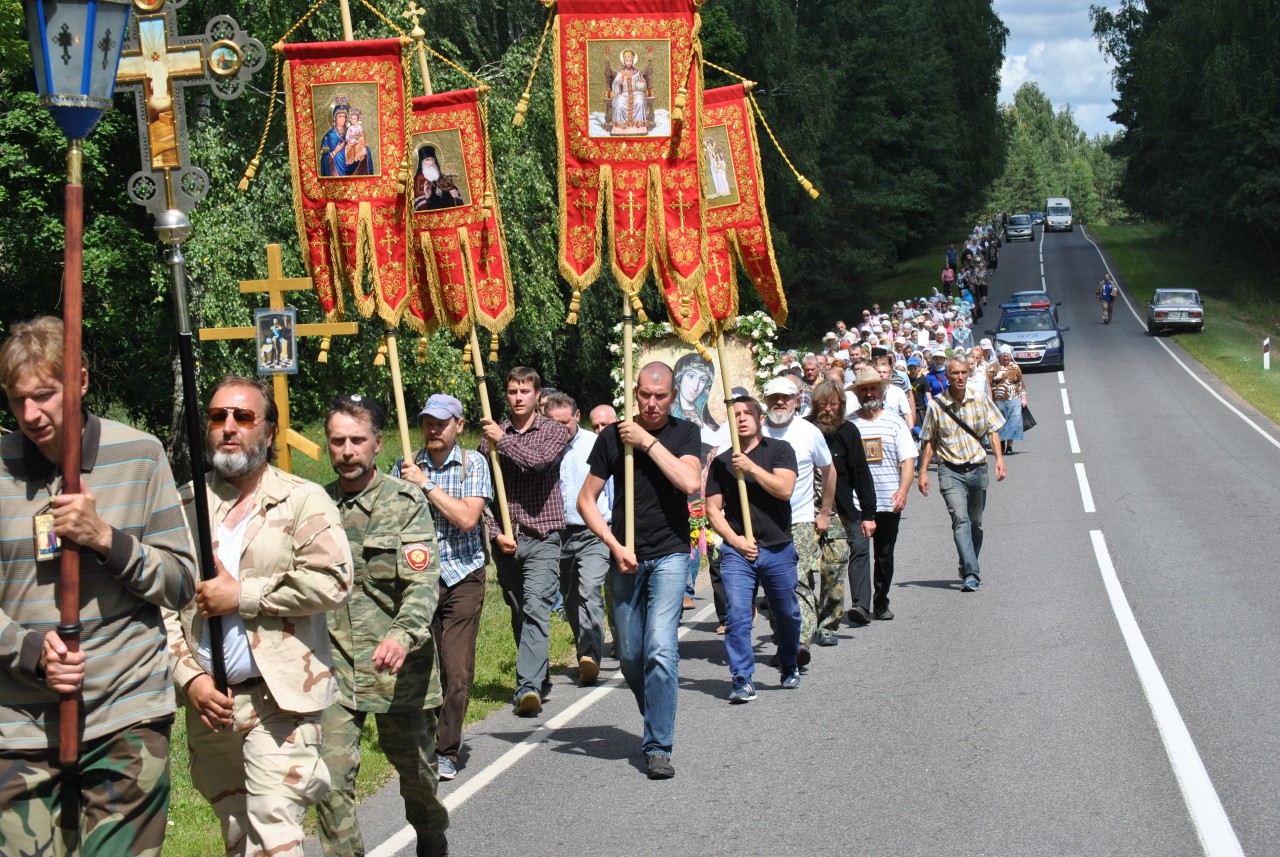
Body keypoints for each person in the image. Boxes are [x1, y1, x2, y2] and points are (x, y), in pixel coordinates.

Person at [0, 316, 197, 857]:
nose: (32, 414)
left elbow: (181, 582)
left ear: (81, 381)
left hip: (124, 711)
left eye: (45, 395)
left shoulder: (139, 455)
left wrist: (107, 539)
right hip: (20, 727)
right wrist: (31, 650)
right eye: (19, 401)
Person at [168, 375, 353, 857]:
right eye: (217, 417)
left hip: (281, 702)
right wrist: (190, 680)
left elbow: (334, 581)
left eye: (243, 417)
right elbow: (160, 605)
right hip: (212, 708)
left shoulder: (302, 499)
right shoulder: (182, 506)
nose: (229, 427)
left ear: (268, 433)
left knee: (274, 834)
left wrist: (243, 595)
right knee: (238, 837)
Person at [318, 395, 448, 857]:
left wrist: (400, 635)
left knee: (418, 780)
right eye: (338, 441)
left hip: (399, 671)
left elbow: (422, 584)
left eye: (357, 440)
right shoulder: (315, 507)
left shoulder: (405, 502)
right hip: (332, 667)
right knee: (330, 785)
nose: (347, 450)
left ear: (377, 443)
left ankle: (431, 835)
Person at [578, 363, 701, 779]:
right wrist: (614, 545)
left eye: (660, 396)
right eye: (645, 395)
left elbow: (688, 482)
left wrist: (647, 442)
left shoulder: (685, 434)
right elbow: (586, 501)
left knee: (661, 650)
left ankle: (658, 745)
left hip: (669, 554)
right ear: (635, 392)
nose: (652, 403)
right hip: (625, 557)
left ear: (672, 396)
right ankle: (657, 715)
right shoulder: (613, 437)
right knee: (631, 656)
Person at [393, 394, 491, 782]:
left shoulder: (474, 464)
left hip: (463, 575)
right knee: (422, 669)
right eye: (428, 422)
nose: (434, 429)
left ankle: (447, 749)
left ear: (459, 425)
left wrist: (426, 484)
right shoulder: (404, 465)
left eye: (442, 422)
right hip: (419, 579)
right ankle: (422, 736)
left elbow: (468, 518)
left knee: (456, 669)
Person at [479, 367, 569, 716]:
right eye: (513, 391)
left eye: (524, 391)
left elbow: (540, 463)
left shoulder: (552, 431)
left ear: (537, 396)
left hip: (543, 536)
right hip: (506, 540)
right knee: (519, 611)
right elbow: (481, 494)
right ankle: (540, 676)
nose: (518, 397)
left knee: (536, 607)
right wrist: (493, 532)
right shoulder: (490, 435)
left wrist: (502, 443)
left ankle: (527, 687)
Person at [705, 395, 802, 701]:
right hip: (738, 551)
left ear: (761, 419)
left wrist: (750, 469)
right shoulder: (721, 463)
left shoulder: (780, 450)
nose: (742, 418)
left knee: (787, 613)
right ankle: (742, 678)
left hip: (777, 548)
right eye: (736, 415)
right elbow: (711, 509)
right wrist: (736, 541)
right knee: (736, 614)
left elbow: (784, 489)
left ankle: (788, 663)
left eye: (748, 413)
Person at [760, 376, 835, 660]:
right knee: (772, 585)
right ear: (765, 400)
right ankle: (784, 639)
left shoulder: (808, 431)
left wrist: (825, 511)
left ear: (796, 399)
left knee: (798, 579)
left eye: (786, 397)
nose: (780, 402)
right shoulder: (755, 431)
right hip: (764, 521)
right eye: (773, 397)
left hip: (800, 518)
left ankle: (801, 642)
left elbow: (828, 471)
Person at [917, 357, 1007, 593]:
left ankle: (967, 561)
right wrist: (923, 472)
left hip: (977, 467)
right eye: (955, 373)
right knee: (961, 519)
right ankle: (971, 573)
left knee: (976, 523)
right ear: (946, 376)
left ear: (968, 374)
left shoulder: (979, 398)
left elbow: (993, 430)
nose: (959, 377)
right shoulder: (937, 406)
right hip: (950, 470)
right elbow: (929, 441)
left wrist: (999, 458)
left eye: (963, 373)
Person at [543, 392, 612, 686]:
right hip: (558, 534)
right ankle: (583, 646)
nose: (560, 429)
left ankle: (590, 657)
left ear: (576, 415)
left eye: (565, 422)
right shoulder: (543, 448)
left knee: (590, 590)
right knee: (570, 600)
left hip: (594, 531)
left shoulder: (595, 444)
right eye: (553, 423)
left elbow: (611, 488)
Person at [806, 380, 876, 639]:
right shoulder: (803, 428)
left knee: (833, 570)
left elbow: (860, 472)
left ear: (842, 406)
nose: (828, 409)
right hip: (803, 511)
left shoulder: (849, 431)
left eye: (833, 404)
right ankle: (806, 619)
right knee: (801, 570)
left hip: (838, 511)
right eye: (823, 404)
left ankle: (828, 625)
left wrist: (868, 514)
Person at [849, 366, 918, 620]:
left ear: (881, 391)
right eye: (864, 389)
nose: (868, 393)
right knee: (858, 551)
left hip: (889, 499)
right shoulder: (850, 425)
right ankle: (860, 605)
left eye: (872, 388)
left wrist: (903, 491)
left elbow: (908, 459)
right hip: (857, 503)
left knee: (884, 555)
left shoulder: (895, 422)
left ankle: (880, 601)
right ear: (857, 394)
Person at [988, 345, 1027, 455]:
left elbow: (1020, 382)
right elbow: (988, 384)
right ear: (999, 356)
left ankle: (1009, 446)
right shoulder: (992, 368)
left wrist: (1023, 397)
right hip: (998, 400)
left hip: (1014, 398)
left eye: (1008, 356)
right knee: (1000, 423)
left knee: (1013, 422)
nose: (1006, 358)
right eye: (1004, 356)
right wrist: (990, 399)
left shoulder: (1015, 367)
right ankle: (1001, 443)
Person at [610, 49, 651, 133]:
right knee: (619, 103)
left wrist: (642, 83)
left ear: (633, 61)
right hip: (623, 94)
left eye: (630, 61)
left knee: (640, 101)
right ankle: (620, 128)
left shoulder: (637, 72)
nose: (628, 63)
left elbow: (643, 84)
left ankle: (639, 127)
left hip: (636, 93)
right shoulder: (620, 73)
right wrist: (619, 83)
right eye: (626, 61)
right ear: (623, 61)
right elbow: (615, 85)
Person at [414, 145, 465, 211]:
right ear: (422, 162)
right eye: (427, 160)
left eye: (432, 159)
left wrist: (455, 194)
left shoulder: (442, 176)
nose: (431, 162)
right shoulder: (418, 180)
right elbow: (418, 205)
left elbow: (455, 194)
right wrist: (427, 197)